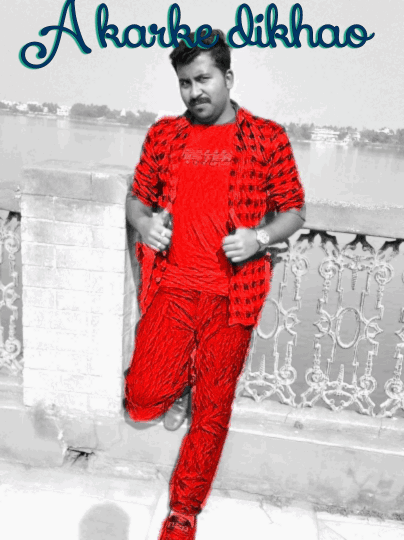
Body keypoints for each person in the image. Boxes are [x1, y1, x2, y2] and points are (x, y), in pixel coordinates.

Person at [125, 29, 306, 540]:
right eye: (185, 83)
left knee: (213, 410)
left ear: (228, 77)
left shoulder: (266, 137)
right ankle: (179, 380)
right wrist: (144, 223)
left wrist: (259, 238)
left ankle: (184, 511)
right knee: (141, 398)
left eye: (203, 79)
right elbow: (136, 197)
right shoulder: (165, 135)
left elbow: (294, 210)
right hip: (172, 289)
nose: (194, 92)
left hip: (232, 298)